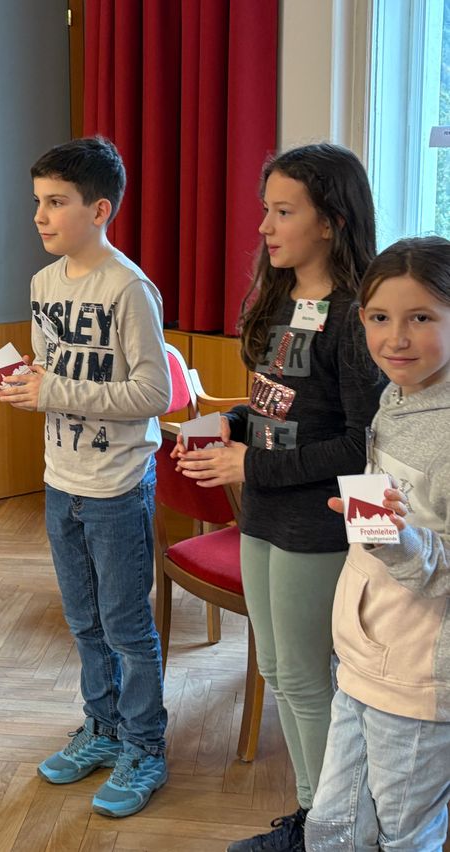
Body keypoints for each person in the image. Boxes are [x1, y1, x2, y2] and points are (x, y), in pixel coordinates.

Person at [174, 143, 386, 851]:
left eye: (284, 211)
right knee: (278, 671)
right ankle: (313, 816)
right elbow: (273, 409)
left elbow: (362, 446)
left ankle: (334, 829)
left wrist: (251, 465)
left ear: (330, 220)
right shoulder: (276, 297)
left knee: (304, 678)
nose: (265, 225)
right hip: (264, 514)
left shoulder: (360, 318)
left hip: (317, 528)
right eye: (266, 209)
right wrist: (219, 427)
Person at [0, 136, 171, 818]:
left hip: (118, 487)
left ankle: (146, 746)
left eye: (57, 203)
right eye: (37, 202)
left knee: (127, 626)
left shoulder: (128, 288)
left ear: (99, 209)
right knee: (84, 622)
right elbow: (55, 377)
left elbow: (153, 394)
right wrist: (27, 387)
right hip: (61, 479)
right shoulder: (44, 285)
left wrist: (56, 392)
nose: (40, 216)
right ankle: (102, 728)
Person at [305, 236, 450, 852]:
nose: (397, 339)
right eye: (381, 318)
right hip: (364, 655)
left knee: (404, 834)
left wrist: (399, 542)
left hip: (419, 678)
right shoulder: (395, 397)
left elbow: (435, 567)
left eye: (421, 318)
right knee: (333, 827)